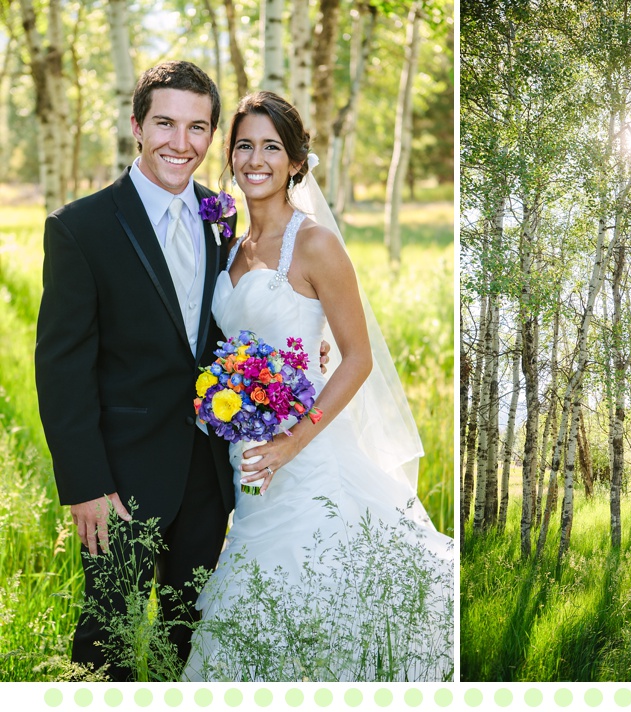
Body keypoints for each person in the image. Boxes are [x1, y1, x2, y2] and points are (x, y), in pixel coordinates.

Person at [34, 62, 328, 681]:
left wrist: (301, 350)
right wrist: (85, 483)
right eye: (165, 123)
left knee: (187, 637)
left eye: (197, 128)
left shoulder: (221, 216)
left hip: (209, 474)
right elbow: (62, 367)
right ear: (137, 126)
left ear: (211, 135)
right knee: (105, 641)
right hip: (120, 480)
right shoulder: (80, 228)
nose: (180, 142)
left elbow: (234, 322)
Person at [182, 91, 454, 682]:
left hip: (306, 458)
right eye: (245, 146)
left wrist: (290, 444)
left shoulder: (316, 244)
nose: (257, 159)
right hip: (245, 459)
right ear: (229, 157)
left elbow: (356, 359)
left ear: (297, 162)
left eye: (272, 147)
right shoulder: (229, 241)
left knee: (317, 595)